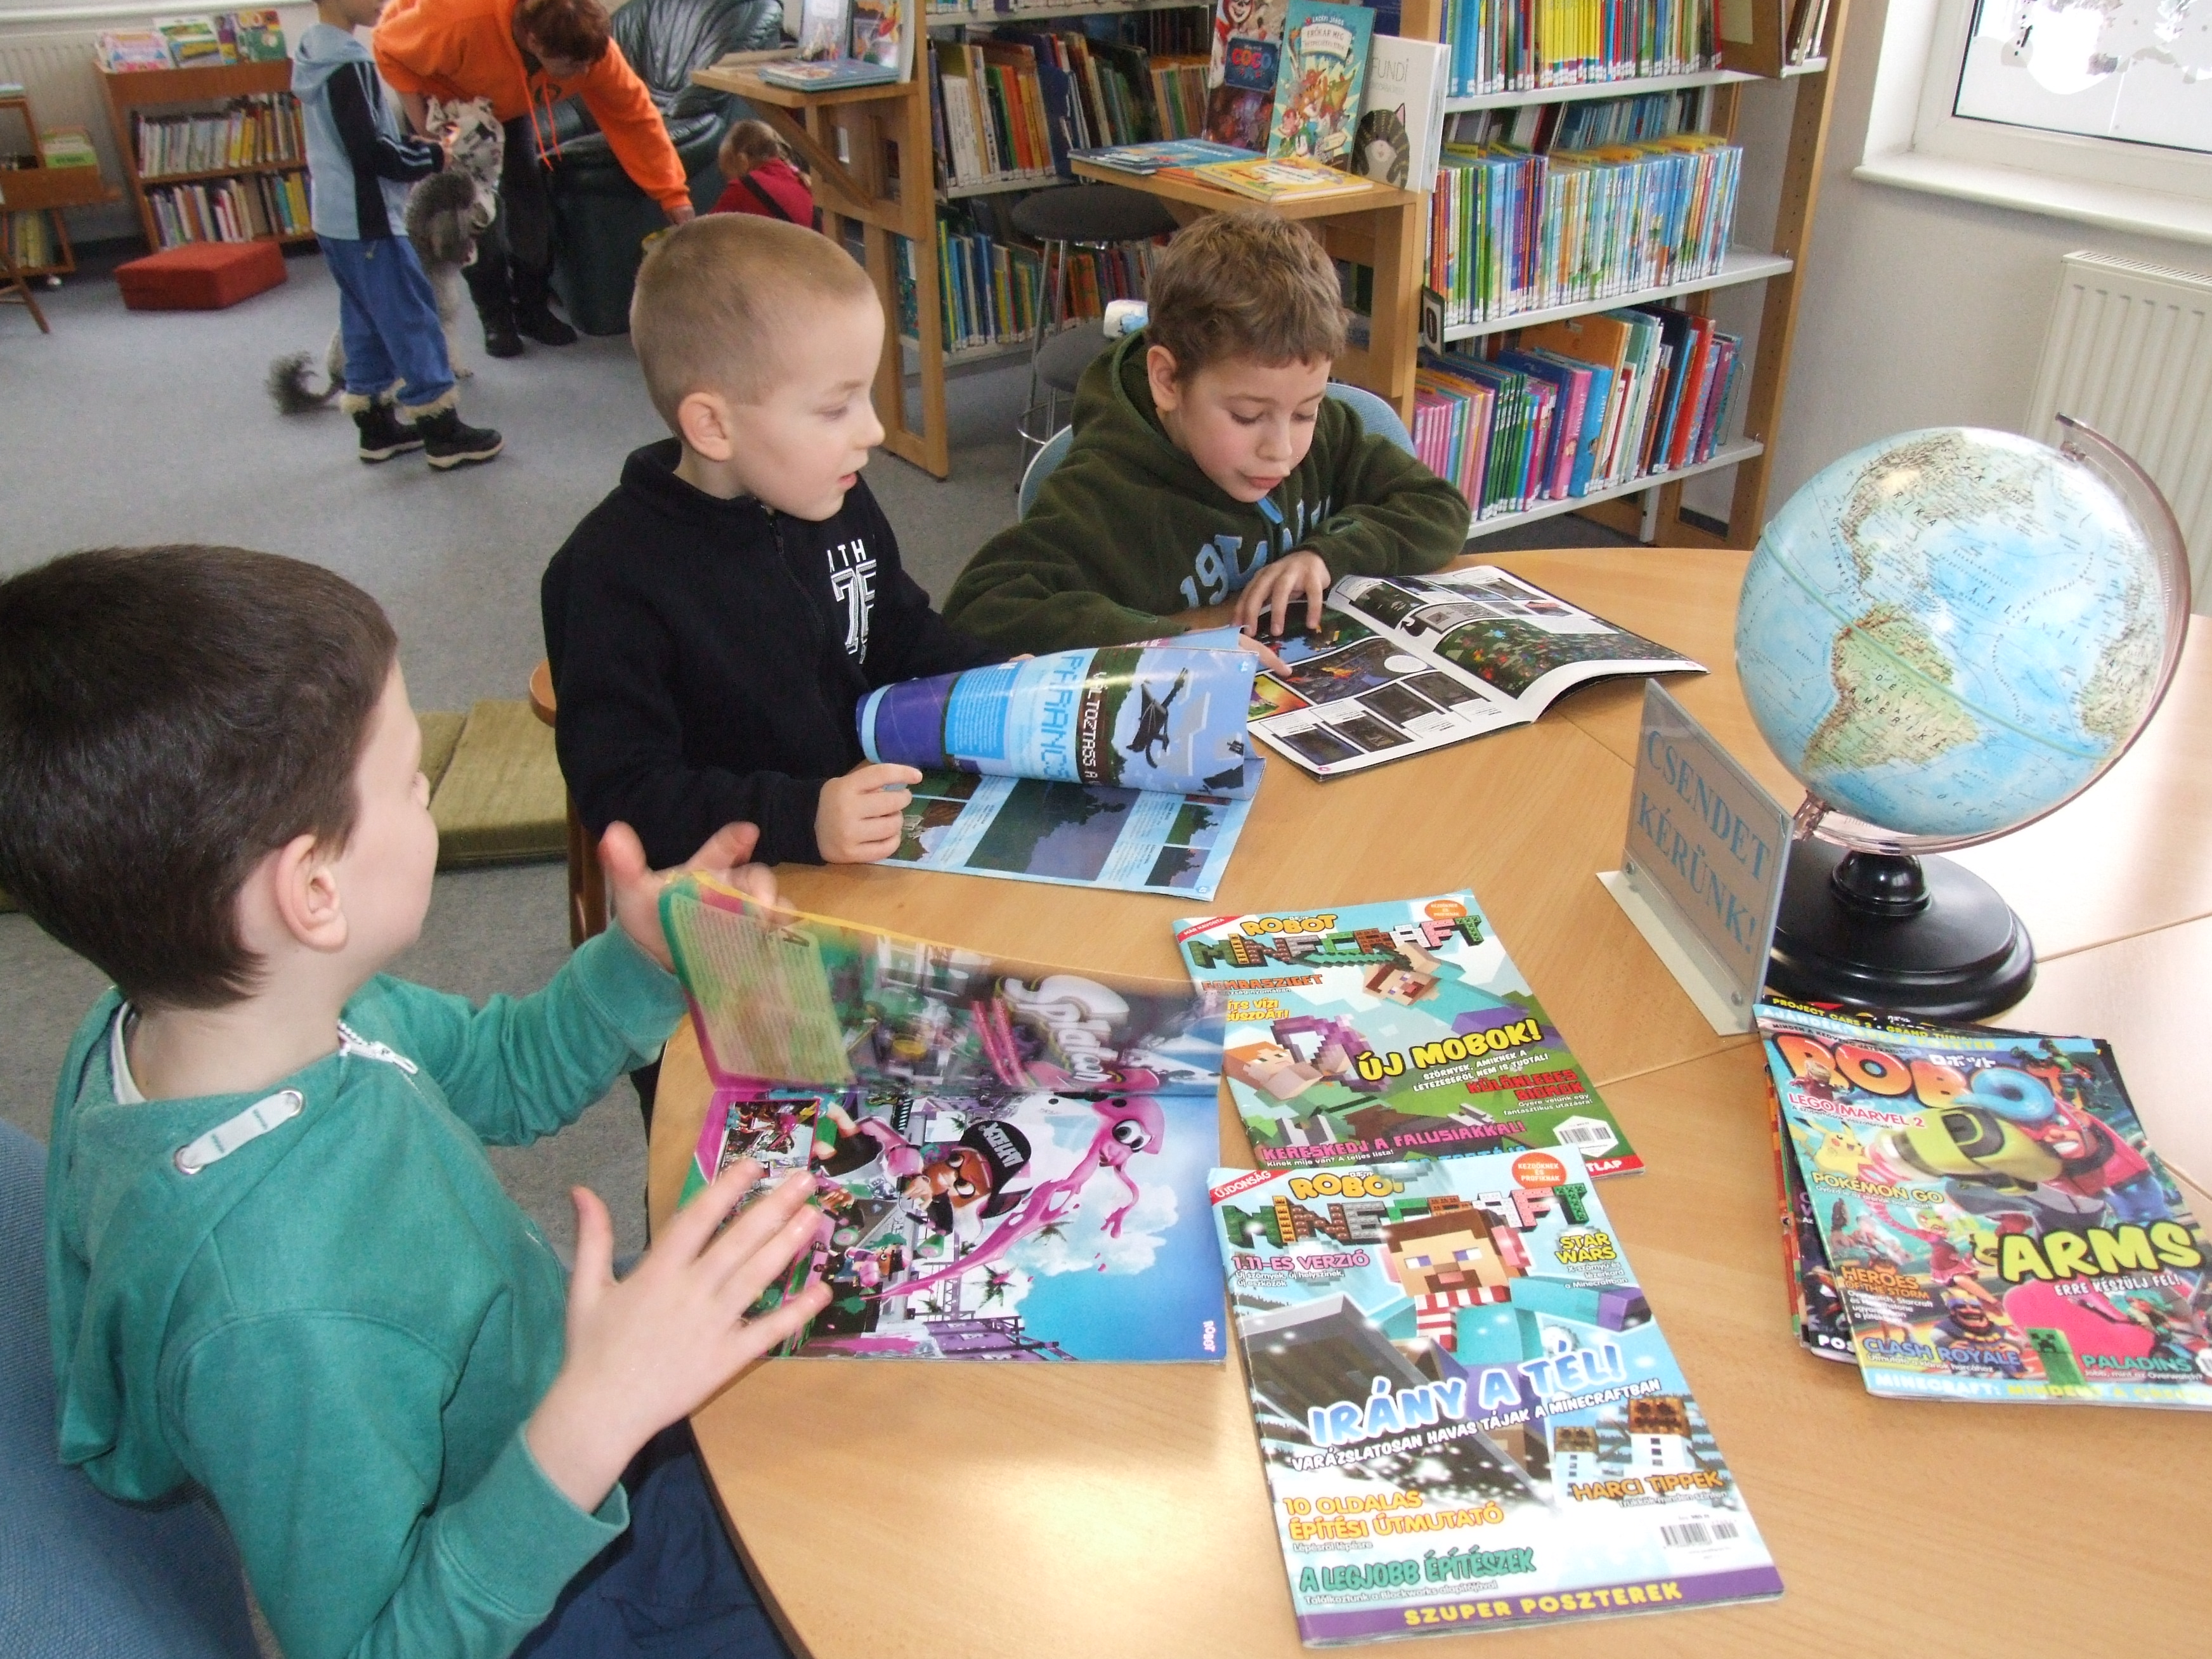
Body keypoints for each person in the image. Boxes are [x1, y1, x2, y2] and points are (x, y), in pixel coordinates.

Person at [0, 544, 831, 1659]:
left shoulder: (232, 1010)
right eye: (408, 780)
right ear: (313, 890)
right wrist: (591, 1422)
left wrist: (638, 960)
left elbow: (500, 1069)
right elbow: (382, 1645)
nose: (429, 791)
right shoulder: (276, 1319)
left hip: (568, 1386)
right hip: (556, 1583)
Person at [542, 213, 999, 881]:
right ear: (712, 426)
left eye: (867, 397)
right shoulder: (609, 575)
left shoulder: (832, 495)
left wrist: (998, 680)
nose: (873, 431)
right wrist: (801, 817)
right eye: (835, 409)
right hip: (735, 887)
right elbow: (625, 794)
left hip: (866, 832)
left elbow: (898, 633)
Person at [942, 210, 1471, 655]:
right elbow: (980, 608)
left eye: (1305, 412)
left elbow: (1438, 507)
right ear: (1167, 381)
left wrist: (1326, 554)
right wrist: (1173, 641)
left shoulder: (1328, 436)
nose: (1282, 451)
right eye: (1247, 417)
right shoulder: (1105, 488)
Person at [374, 0, 697, 358]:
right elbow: (387, 47)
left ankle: (532, 309)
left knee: (529, 199)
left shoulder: (590, 51)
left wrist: (673, 195)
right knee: (474, 213)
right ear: (533, 40)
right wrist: (425, 130)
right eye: (573, 65)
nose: (585, 72)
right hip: (449, 101)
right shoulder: (457, 20)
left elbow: (635, 118)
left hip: (508, 102)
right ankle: (496, 318)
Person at [294, 0, 503, 467]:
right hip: (369, 222)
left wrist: (410, 144)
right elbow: (371, 154)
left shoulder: (314, 52)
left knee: (364, 321)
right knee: (413, 318)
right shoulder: (348, 64)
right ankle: (442, 431)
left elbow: (357, 138)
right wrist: (432, 158)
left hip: (335, 220)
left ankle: (375, 429)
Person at [711, 119, 813, 225]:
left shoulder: (742, 188)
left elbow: (707, 231)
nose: (728, 182)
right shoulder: (797, 178)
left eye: (727, 174)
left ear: (742, 161)